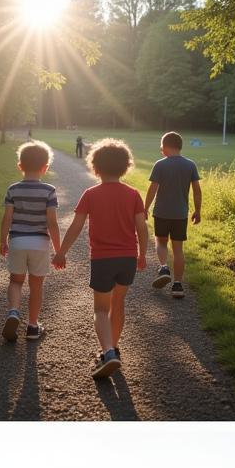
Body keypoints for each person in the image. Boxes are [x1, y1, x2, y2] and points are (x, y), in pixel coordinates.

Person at [55, 138, 148, 380]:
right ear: (126, 167)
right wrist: (142, 254)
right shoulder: (133, 194)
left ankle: (107, 352)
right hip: (127, 257)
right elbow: (142, 228)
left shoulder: (91, 194)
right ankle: (113, 349)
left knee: (100, 308)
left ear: (95, 167)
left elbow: (75, 227)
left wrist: (62, 251)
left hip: (103, 259)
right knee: (118, 304)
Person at [0, 141, 61, 342]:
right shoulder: (49, 191)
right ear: (46, 167)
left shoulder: (13, 189)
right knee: (36, 287)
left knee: (15, 281)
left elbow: (7, 218)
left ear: (20, 166)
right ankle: (33, 327)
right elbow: (52, 223)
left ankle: (13, 312)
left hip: (17, 241)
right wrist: (58, 250)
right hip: (39, 244)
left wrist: (3, 241)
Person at [144, 131, 201, 299]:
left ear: (166, 147)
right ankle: (177, 285)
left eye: (162, 147)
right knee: (178, 250)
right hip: (180, 214)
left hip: (161, 212)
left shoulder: (160, 165)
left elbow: (152, 189)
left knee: (161, 241)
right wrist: (198, 210)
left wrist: (145, 207)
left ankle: (163, 267)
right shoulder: (190, 165)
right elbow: (197, 191)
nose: (161, 150)